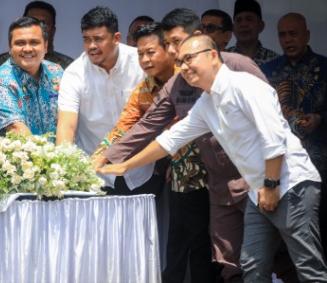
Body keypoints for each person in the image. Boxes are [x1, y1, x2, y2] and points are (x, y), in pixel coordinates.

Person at [98, 34, 327, 282]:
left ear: (213, 55)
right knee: (252, 266)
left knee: (307, 267)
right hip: (258, 191)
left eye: (189, 59)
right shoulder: (206, 103)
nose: (184, 67)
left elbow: (274, 140)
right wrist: (126, 165)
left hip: (292, 184)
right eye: (181, 62)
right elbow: (170, 139)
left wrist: (271, 185)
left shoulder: (246, 86)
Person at [93, 8, 268, 282]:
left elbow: (270, 123)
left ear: (198, 38)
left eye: (175, 42)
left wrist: (271, 180)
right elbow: (149, 128)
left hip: (257, 179)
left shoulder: (237, 66)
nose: (173, 51)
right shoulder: (176, 84)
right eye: (169, 44)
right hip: (213, 184)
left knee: (277, 256)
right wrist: (112, 158)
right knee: (225, 260)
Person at [90, 21, 213, 283]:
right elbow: (125, 129)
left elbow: (195, 125)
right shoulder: (144, 90)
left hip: (212, 169)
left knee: (205, 241)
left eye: (151, 52)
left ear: (168, 50)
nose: (145, 60)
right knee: (178, 239)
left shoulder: (191, 75)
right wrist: (100, 157)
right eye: (139, 54)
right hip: (177, 172)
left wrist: (177, 156)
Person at [56, 5, 146, 191]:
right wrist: (62, 167)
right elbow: (67, 125)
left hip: (141, 169)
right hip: (95, 174)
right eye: (86, 40)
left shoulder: (140, 63)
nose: (92, 46)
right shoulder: (75, 73)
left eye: (98, 39)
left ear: (116, 38)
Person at [261, 12, 327, 258]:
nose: (288, 39)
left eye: (294, 33)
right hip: (280, 169)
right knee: (282, 238)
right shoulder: (267, 72)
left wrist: (321, 119)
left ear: (307, 35)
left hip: (320, 166)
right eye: (282, 34)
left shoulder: (325, 68)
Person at [0, 16, 63, 136]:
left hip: (59, 153)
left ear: (45, 46)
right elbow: (17, 129)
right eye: (20, 43)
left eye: (34, 42)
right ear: (10, 48)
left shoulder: (56, 72)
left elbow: (70, 116)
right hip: (16, 154)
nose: (27, 49)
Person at [0, 0, 73, 77]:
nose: (38, 26)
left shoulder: (66, 67)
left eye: (44, 24)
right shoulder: (0, 64)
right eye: (32, 21)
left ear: (53, 31)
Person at [227, 0, 279, 66]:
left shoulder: (275, 60)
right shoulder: (222, 59)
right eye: (239, 20)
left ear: (260, 26)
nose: (243, 24)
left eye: (249, 19)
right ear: (233, 28)